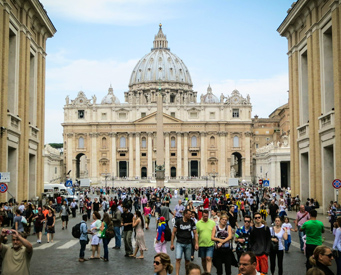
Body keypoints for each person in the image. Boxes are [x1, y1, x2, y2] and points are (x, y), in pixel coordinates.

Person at [170, 209, 198, 275]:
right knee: (178, 259)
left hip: (188, 243)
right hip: (179, 243)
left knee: (187, 260)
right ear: (185, 214)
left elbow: (195, 233)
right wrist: (172, 244)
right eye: (189, 214)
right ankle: (177, 274)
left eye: (191, 214)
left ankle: (187, 273)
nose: (191, 215)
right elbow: (173, 232)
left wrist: (196, 243)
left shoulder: (191, 222)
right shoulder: (178, 221)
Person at [196, 210, 215, 274]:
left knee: (208, 258)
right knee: (203, 259)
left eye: (207, 216)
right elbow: (196, 234)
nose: (205, 217)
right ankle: (205, 271)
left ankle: (208, 273)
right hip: (201, 244)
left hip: (210, 244)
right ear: (202, 215)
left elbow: (215, 233)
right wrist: (196, 243)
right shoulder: (198, 223)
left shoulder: (212, 223)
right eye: (204, 216)